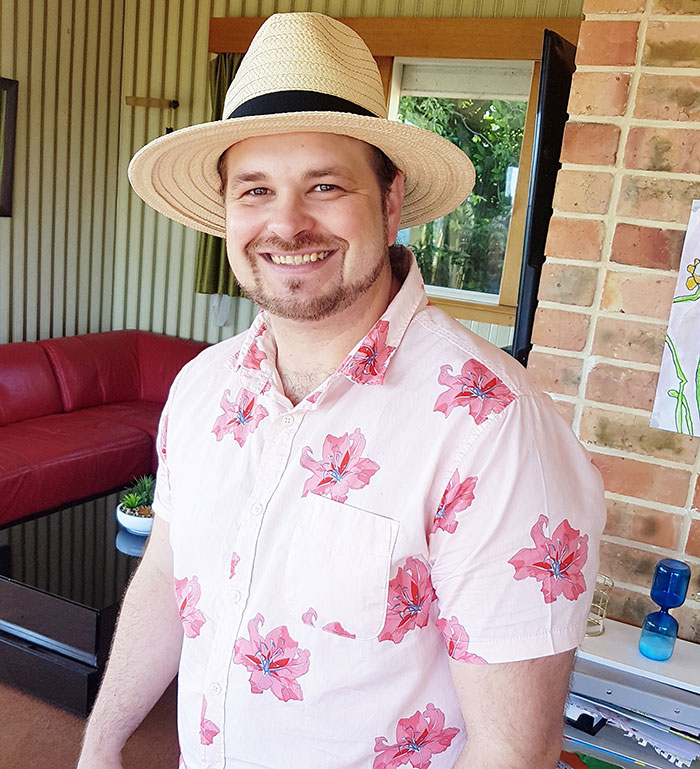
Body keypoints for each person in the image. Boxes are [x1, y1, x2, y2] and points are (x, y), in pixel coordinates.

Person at [78, 12, 606, 769]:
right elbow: (167, 575)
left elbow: (513, 752)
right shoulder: (199, 389)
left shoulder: (493, 426)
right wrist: (99, 746)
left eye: (324, 185)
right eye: (255, 189)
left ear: (391, 202)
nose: (287, 224)